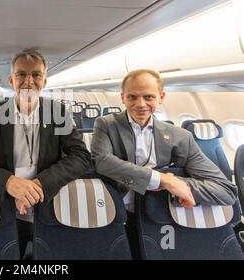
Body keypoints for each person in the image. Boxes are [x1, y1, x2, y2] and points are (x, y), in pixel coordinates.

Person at [91, 69, 237, 257]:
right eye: (132, 97)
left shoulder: (180, 137)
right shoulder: (106, 124)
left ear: (161, 97)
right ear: (122, 97)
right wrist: (163, 180)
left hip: (162, 217)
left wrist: (180, 183)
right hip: (118, 215)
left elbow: (226, 191)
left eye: (149, 97)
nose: (140, 104)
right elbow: (102, 162)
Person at [0, 50, 91, 259]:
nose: (28, 81)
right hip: (6, 206)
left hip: (48, 203)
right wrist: (8, 182)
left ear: (44, 80)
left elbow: (81, 156)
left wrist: (40, 184)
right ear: (11, 80)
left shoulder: (57, 112)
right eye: (21, 74)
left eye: (36, 75)